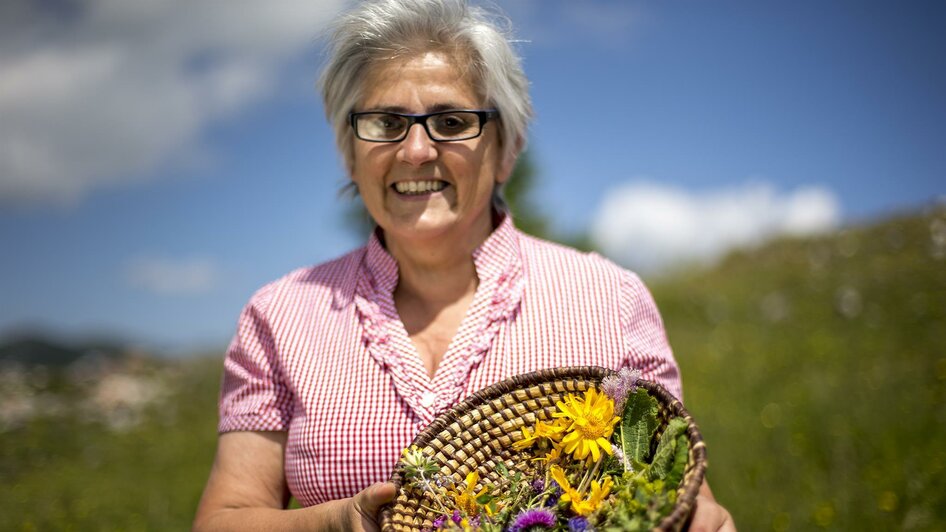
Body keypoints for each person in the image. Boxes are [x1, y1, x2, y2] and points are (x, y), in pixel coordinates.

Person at [193, 0, 735, 530]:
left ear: (507, 149)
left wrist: (702, 519)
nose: (416, 151)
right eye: (385, 123)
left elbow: (683, 493)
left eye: (451, 121)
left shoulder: (608, 298)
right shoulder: (279, 316)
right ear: (348, 151)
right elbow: (224, 519)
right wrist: (336, 523)